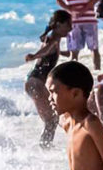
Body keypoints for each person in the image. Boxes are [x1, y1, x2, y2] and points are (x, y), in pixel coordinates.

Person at [26, 10, 74, 145]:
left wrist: (66, 53)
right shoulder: (52, 40)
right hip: (35, 82)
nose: (71, 28)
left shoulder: (55, 40)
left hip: (34, 82)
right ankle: (44, 150)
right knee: (52, 121)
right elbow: (47, 50)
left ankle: (45, 148)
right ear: (59, 24)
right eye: (68, 24)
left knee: (52, 120)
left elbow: (51, 50)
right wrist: (34, 56)